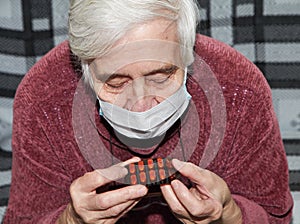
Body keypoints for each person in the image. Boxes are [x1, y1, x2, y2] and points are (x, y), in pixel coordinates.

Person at [4, 0, 293, 223]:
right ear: (85, 67)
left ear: (187, 53)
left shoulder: (239, 90)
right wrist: (71, 219)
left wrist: (229, 214)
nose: (141, 106)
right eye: (116, 82)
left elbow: (277, 216)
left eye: (161, 76)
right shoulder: (44, 99)